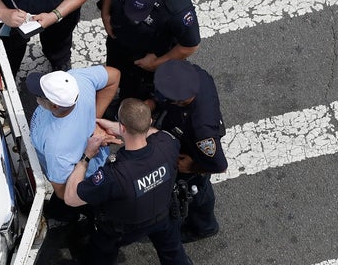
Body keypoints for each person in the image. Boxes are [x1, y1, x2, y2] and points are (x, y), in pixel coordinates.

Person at [64, 98, 192, 265]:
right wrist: (123, 128)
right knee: (174, 253)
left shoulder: (114, 174)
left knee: (100, 254)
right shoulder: (167, 144)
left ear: (122, 127)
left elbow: (71, 198)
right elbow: (155, 133)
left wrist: (86, 157)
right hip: (163, 214)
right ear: (150, 121)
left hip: (123, 228)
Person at [99, 0, 200, 106]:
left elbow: (190, 46)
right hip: (118, 36)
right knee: (113, 68)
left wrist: (156, 64)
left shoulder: (178, 9)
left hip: (145, 53)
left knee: (135, 89)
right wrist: (105, 13)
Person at [27, 65, 120, 225]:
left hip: (83, 177)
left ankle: (70, 219)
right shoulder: (76, 79)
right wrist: (95, 120)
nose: (36, 97)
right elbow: (114, 74)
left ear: (55, 105)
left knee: (68, 206)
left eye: (40, 95)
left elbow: (64, 193)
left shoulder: (56, 148)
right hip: (93, 160)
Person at [153, 59, 228, 243]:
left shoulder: (201, 129)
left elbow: (219, 165)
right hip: (178, 130)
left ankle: (204, 226)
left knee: (198, 190)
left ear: (182, 101)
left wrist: (192, 166)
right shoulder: (196, 76)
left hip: (191, 152)